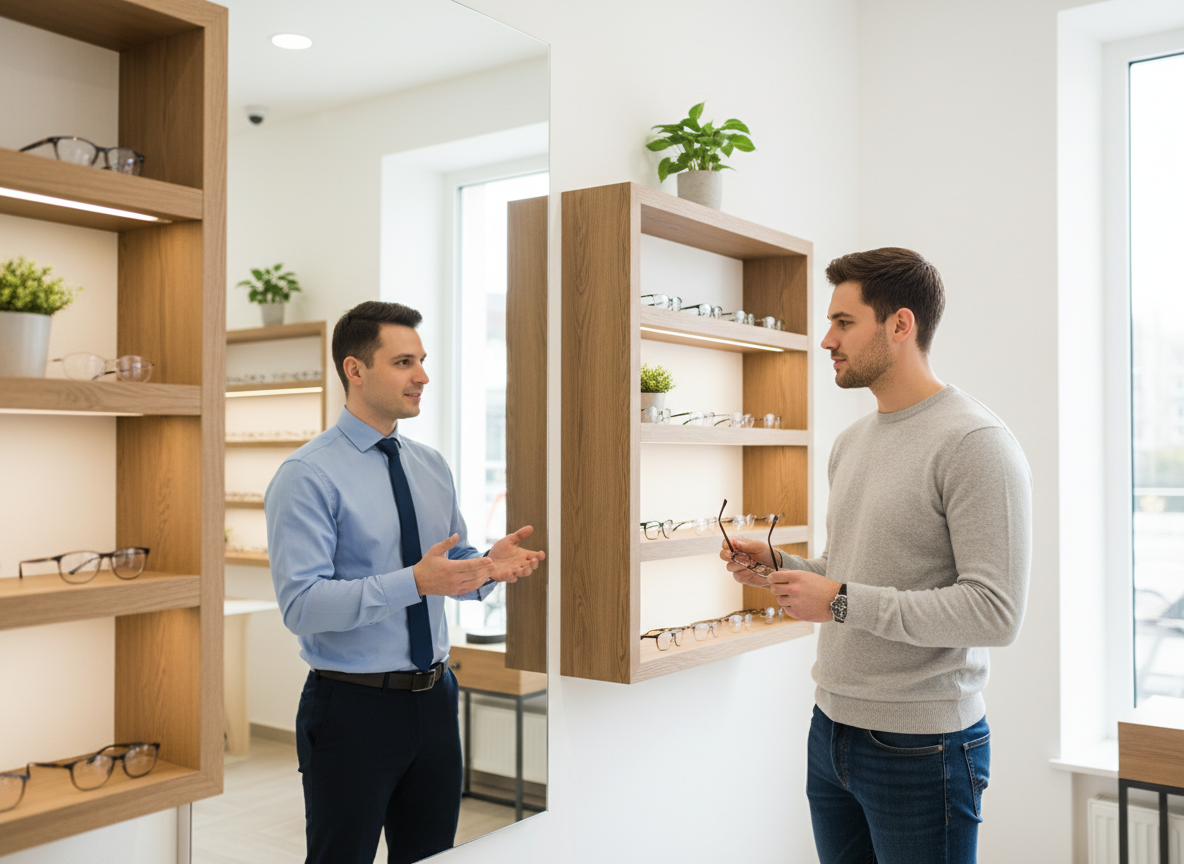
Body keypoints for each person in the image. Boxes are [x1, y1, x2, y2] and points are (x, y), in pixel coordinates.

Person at [721, 248, 1031, 864]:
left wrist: (836, 600)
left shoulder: (976, 444)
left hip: (925, 745)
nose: (825, 340)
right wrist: (785, 568)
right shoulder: (852, 442)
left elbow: (995, 613)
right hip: (831, 727)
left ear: (900, 325)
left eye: (843, 321)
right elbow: (857, 574)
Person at [264, 300, 543, 864]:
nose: (423, 376)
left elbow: (447, 563)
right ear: (355, 369)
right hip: (352, 710)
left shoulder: (431, 464)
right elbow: (302, 605)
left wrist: (487, 565)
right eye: (403, 362)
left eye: (422, 361)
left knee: (432, 854)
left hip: (436, 700)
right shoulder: (306, 476)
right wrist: (415, 581)